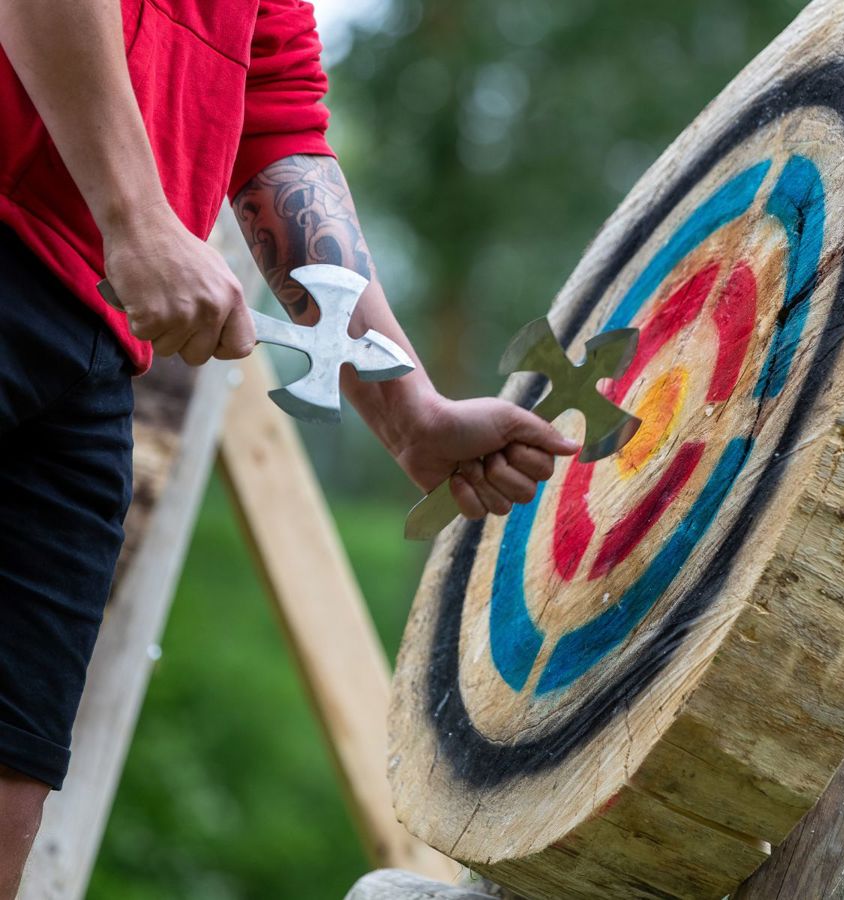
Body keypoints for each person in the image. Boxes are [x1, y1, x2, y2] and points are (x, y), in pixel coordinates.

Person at [0, 1, 579, 893]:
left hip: (93, 349)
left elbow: (272, 120)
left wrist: (407, 409)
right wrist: (142, 219)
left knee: (7, 803)